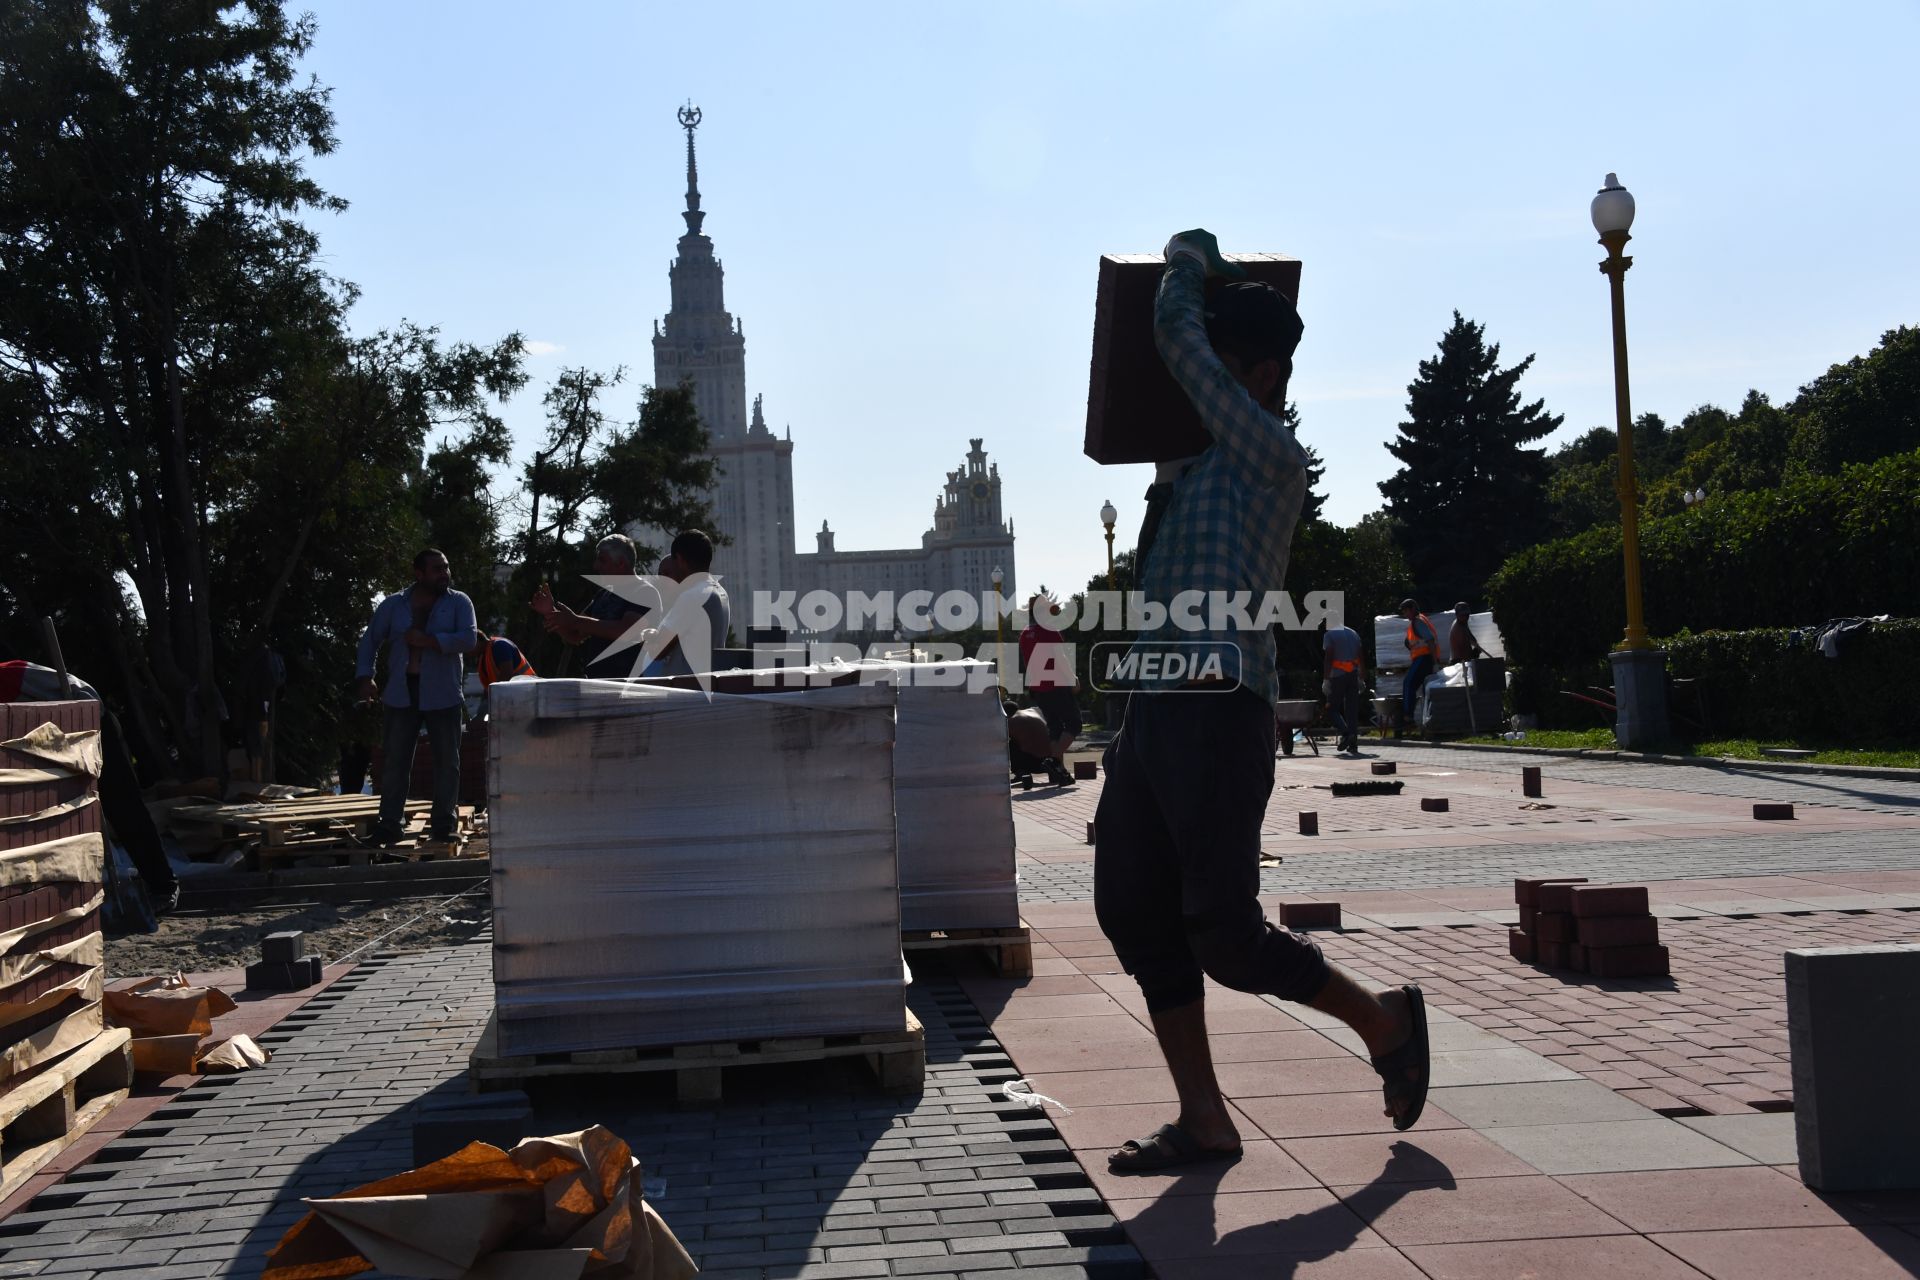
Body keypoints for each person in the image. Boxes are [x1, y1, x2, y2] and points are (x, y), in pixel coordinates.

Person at [1094, 230, 1429, 1174]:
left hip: (1218, 713)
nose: (1198, 387)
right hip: (1155, 717)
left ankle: (1383, 1022)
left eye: (1222, 366)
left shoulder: (1267, 457)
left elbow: (1176, 339)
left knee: (1227, 937)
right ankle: (1205, 1121)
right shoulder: (1193, 475)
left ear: (1262, 372)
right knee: (1133, 909)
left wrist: (1186, 260)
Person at [0, 660, 180, 911]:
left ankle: (163, 885)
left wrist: (77, 722)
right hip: (51, 748)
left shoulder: (10, 674)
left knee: (123, 807)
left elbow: (86, 695)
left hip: (93, 726)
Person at [354, 548, 478, 846]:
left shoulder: (459, 602)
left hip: (443, 692)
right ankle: (389, 825)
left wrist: (430, 641)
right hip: (402, 691)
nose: (444, 574)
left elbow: (469, 638)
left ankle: (443, 825)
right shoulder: (394, 605)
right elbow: (370, 640)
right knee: (396, 760)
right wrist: (365, 676)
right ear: (419, 573)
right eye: (436, 569)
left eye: (446, 567)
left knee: (447, 761)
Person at [533, 534, 663, 678]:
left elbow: (626, 632)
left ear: (620, 563)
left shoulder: (644, 592)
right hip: (598, 686)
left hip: (631, 688)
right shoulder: (604, 595)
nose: (596, 566)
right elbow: (574, 636)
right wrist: (550, 612)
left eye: (602, 560)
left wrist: (575, 620)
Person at [628, 530, 731, 678]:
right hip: (705, 686)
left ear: (680, 560)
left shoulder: (691, 597)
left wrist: (645, 634)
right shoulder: (720, 592)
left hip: (685, 691)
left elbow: (657, 651)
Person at [1018, 592, 1080, 787]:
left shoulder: (1025, 633)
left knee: (1055, 728)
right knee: (1074, 724)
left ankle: (1058, 774)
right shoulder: (1049, 631)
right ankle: (1054, 762)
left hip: (1038, 686)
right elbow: (1060, 658)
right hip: (1056, 684)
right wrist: (1073, 679)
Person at [1321, 618, 1367, 755]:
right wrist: (1361, 675)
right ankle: (1353, 745)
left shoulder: (1329, 635)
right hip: (1352, 676)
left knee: (1331, 708)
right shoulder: (1353, 633)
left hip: (1338, 677)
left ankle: (1346, 733)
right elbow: (1360, 655)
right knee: (1351, 710)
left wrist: (1326, 679)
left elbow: (1329, 657)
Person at [1397, 598, 1440, 738]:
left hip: (1425, 658)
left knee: (1408, 683)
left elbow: (1430, 640)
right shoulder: (1417, 622)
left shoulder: (1418, 621)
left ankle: (1408, 718)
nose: (1405, 614)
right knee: (1413, 686)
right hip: (1422, 658)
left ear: (1413, 609)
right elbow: (1412, 641)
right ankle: (1412, 718)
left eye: (1406, 610)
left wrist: (1435, 663)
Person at [1448, 601, 1484, 666]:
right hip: (1459, 662)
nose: (1466, 617)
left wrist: (1476, 646)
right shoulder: (1458, 628)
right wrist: (1473, 655)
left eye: (1467, 614)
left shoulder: (1463, 623)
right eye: (1463, 615)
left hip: (1464, 660)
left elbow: (1471, 638)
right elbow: (1463, 650)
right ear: (1456, 614)